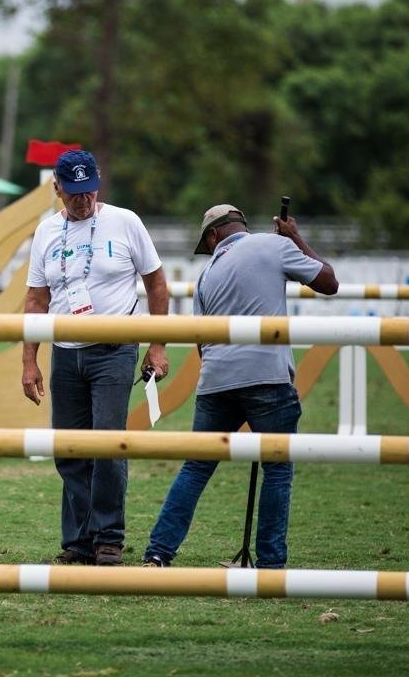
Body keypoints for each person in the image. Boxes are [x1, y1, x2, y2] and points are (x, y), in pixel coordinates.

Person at [142, 204, 338, 568]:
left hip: (216, 380)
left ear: (214, 235)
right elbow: (329, 282)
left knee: (196, 468)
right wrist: (294, 236)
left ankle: (159, 552)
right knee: (277, 470)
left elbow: (201, 340)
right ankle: (270, 564)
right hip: (267, 375)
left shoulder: (207, 275)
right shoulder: (274, 245)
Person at [21, 150, 171, 566]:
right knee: (68, 450)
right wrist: (28, 360)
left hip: (115, 350)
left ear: (98, 185)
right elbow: (36, 298)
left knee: (107, 445)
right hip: (64, 354)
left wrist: (158, 345)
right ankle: (79, 539)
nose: (82, 200)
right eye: (73, 194)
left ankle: (108, 538)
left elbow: (157, 285)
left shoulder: (126, 222)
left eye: (88, 192)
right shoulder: (46, 232)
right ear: (57, 189)